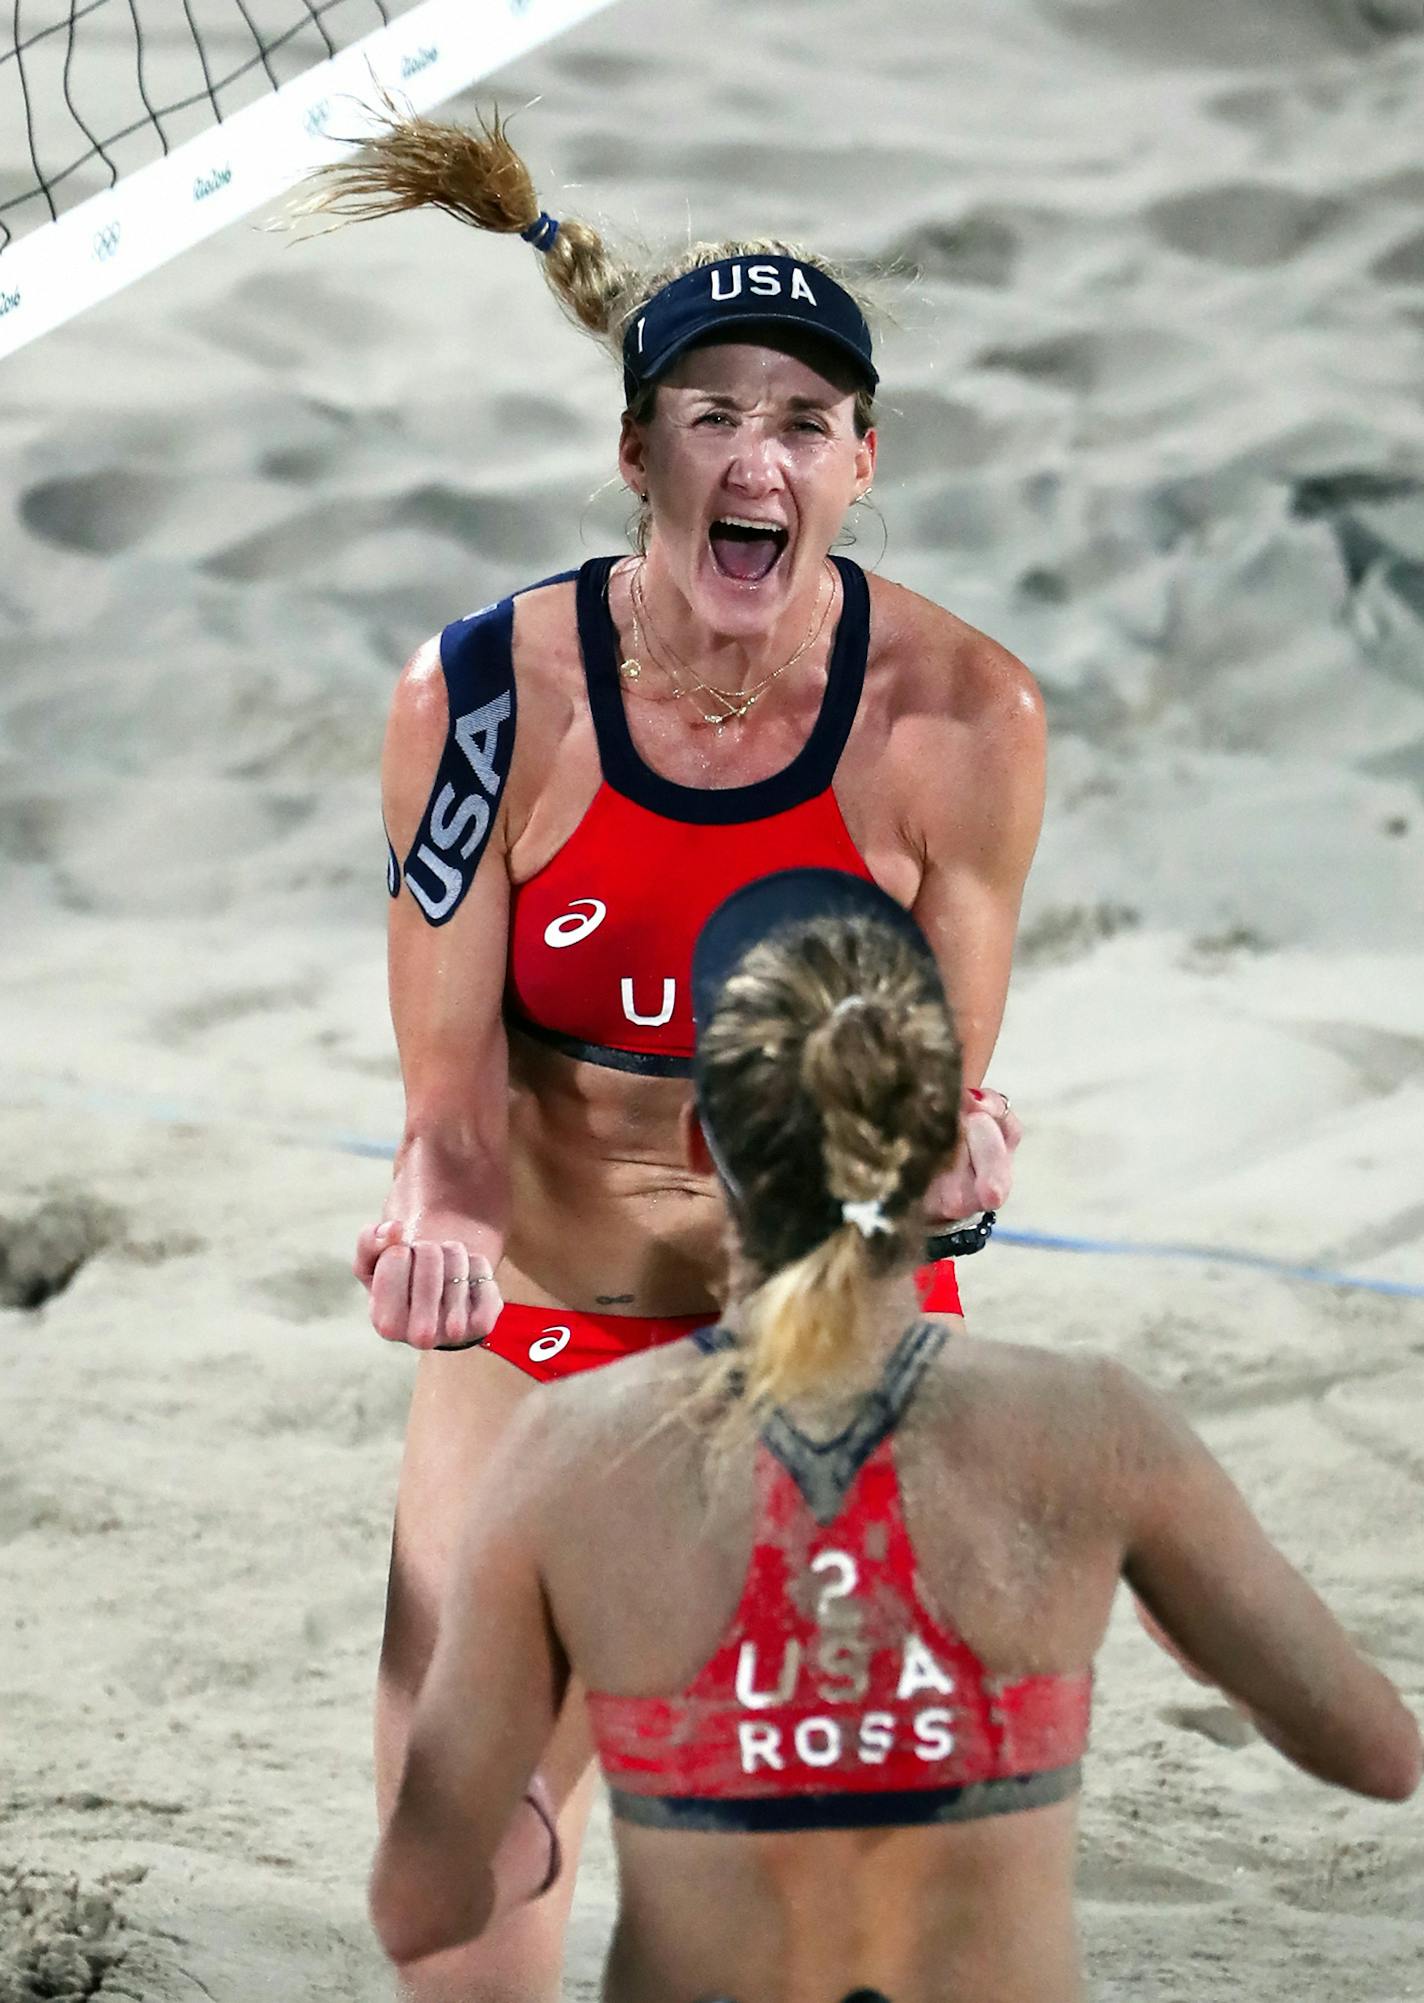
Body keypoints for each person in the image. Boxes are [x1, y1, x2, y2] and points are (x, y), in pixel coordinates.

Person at [302, 107, 1040, 1999]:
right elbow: (448, 1115)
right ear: (634, 446)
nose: (755, 453)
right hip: (541, 1311)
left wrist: (938, 1157)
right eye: (710, 412)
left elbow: (927, 1097)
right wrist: (429, 1215)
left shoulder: (958, 719)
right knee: (452, 1882)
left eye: (802, 420)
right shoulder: (479, 699)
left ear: (860, 464)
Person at [369, 869, 1421, 2003]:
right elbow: (1376, 1752)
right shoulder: (1096, 1431)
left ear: (693, 1139)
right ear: (947, 1153)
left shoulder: (570, 1455)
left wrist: (522, 1819)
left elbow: (419, 1903)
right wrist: (1210, 1629)